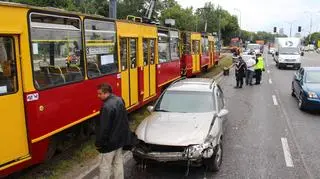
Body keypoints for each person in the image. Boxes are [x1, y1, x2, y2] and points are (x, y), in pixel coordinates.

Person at [95, 83, 137, 179]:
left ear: (106, 93)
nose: (98, 96)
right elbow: (124, 121)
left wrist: (99, 143)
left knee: (105, 166)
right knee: (118, 163)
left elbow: (104, 128)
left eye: (100, 94)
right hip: (119, 141)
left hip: (109, 144)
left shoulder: (106, 107)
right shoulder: (119, 100)